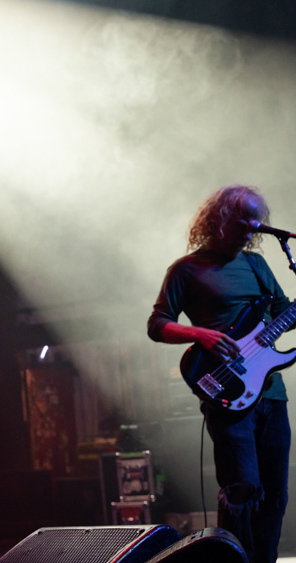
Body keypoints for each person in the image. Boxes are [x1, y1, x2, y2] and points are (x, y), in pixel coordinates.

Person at [148, 185, 291, 563]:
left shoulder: (257, 265)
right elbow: (157, 324)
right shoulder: (186, 269)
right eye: (244, 219)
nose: (252, 228)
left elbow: (282, 313)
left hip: (272, 393)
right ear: (220, 219)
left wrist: (279, 325)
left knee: (275, 493)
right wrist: (201, 334)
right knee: (242, 489)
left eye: (256, 220)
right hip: (226, 389)